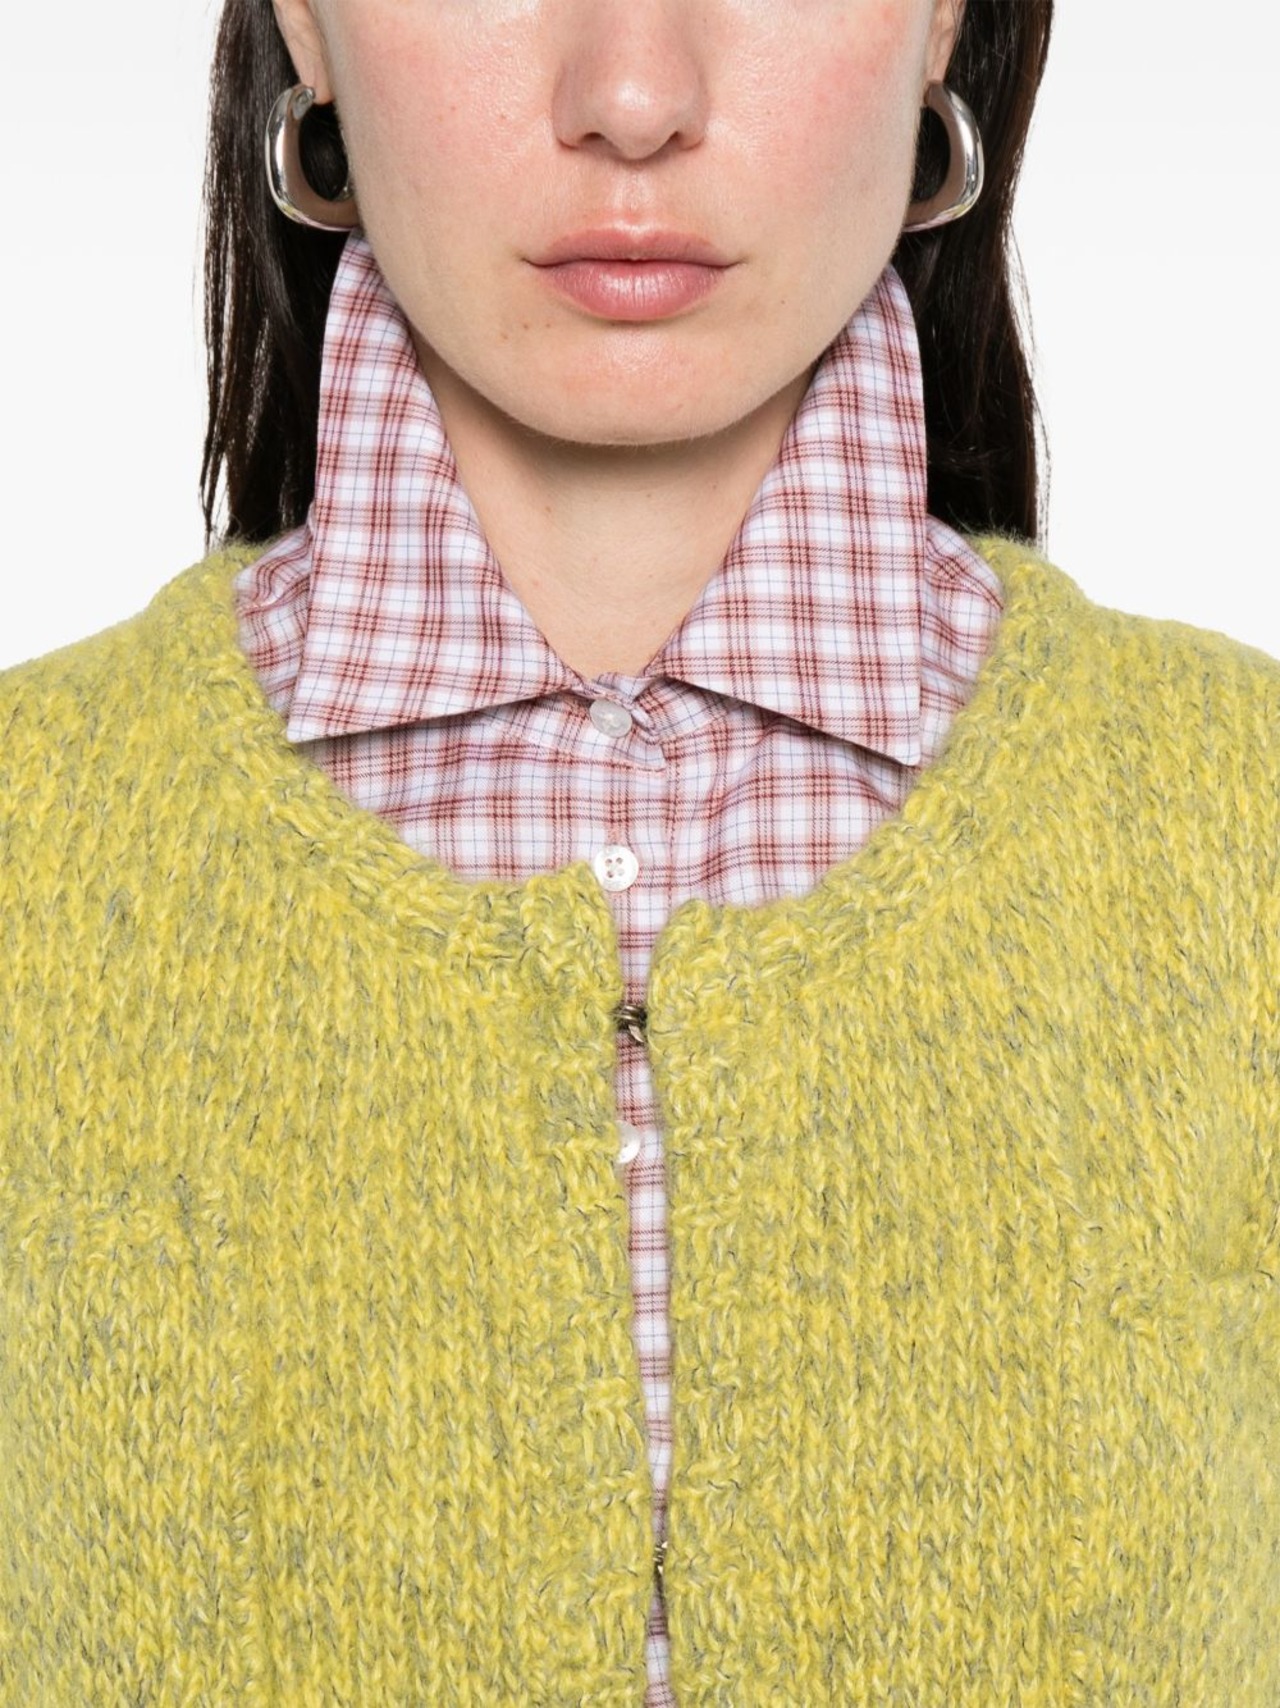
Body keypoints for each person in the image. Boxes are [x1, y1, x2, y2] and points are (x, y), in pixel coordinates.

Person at [0, 0, 1276, 1702]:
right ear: (303, 20)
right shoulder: (31, 846)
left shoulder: (1241, 828)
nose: (631, 96)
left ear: (940, 24)